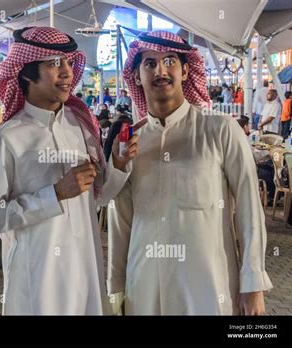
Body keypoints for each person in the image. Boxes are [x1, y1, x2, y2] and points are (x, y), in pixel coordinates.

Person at [108, 30, 272, 315]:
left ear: (185, 71)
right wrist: (117, 288)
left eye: (170, 61)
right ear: (136, 77)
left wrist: (253, 283)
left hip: (209, 287)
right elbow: (120, 219)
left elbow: (249, 206)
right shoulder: (131, 141)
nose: (161, 70)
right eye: (149, 64)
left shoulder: (220, 129)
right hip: (144, 288)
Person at [0, 26, 137, 315]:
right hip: (37, 280)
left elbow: (97, 199)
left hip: (85, 270)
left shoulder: (80, 126)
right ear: (26, 72)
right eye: (53, 64)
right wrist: (54, 194)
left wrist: (119, 166)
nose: (67, 72)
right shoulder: (6, 138)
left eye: (67, 62)